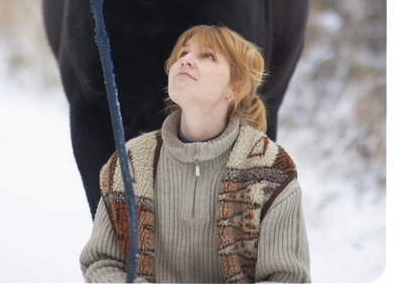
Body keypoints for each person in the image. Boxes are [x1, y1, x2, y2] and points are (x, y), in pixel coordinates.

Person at [80, 24, 310, 283]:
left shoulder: (271, 172)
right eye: (182, 54)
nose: (186, 61)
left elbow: (288, 281)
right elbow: (101, 261)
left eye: (207, 56)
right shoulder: (130, 162)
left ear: (236, 87)